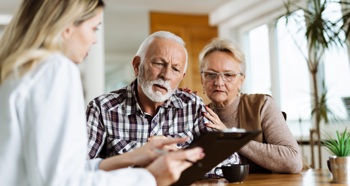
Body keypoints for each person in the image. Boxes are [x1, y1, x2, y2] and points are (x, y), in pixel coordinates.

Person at [0, 0, 204, 185]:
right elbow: (63, 181)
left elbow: (56, 170)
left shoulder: (18, 70)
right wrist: (150, 177)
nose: (95, 39)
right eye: (94, 28)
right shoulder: (56, 68)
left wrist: (133, 157)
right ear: (68, 26)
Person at [86, 31, 212, 159]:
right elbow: (78, 168)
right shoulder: (102, 108)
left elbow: (223, 163)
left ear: (181, 77)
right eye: (159, 64)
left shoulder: (193, 106)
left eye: (175, 69)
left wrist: (181, 156)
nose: (166, 75)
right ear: (137, 65)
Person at [198, 38, 303, 174]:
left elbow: (293, 162)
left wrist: (231, 137)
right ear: (202, 79)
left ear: (241, 80)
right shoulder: (198, 115)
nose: (218, 82)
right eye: (211, 74)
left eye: (228, 75)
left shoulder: (262, 105)